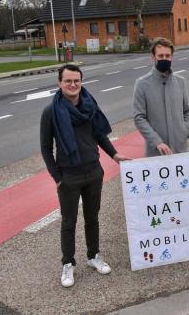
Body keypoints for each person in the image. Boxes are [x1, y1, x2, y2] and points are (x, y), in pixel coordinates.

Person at [40, 64, 131, 288]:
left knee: (93, 217)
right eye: (68, 81)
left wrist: (114, 155)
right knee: (68, 222)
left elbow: (99, 134)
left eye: (76, 81)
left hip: (93, 171)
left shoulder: (89, 105)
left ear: (81, 82)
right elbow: (45, 147)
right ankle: (68, 263)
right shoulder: (51, 111)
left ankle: (93, 256)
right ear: (59, 83)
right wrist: (57, 177)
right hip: (68, 176)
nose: (73, 85)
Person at [133, 37, 189, 157]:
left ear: (172, 57)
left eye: (167, 55)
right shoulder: (142, 83)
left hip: (180, 149)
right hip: (156, 152)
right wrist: (156, 142)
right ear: (153, 57)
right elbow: (139, 117)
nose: (164, 59)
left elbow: (187, 110)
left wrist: (185, 131)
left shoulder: (180, 81)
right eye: (160, 56)